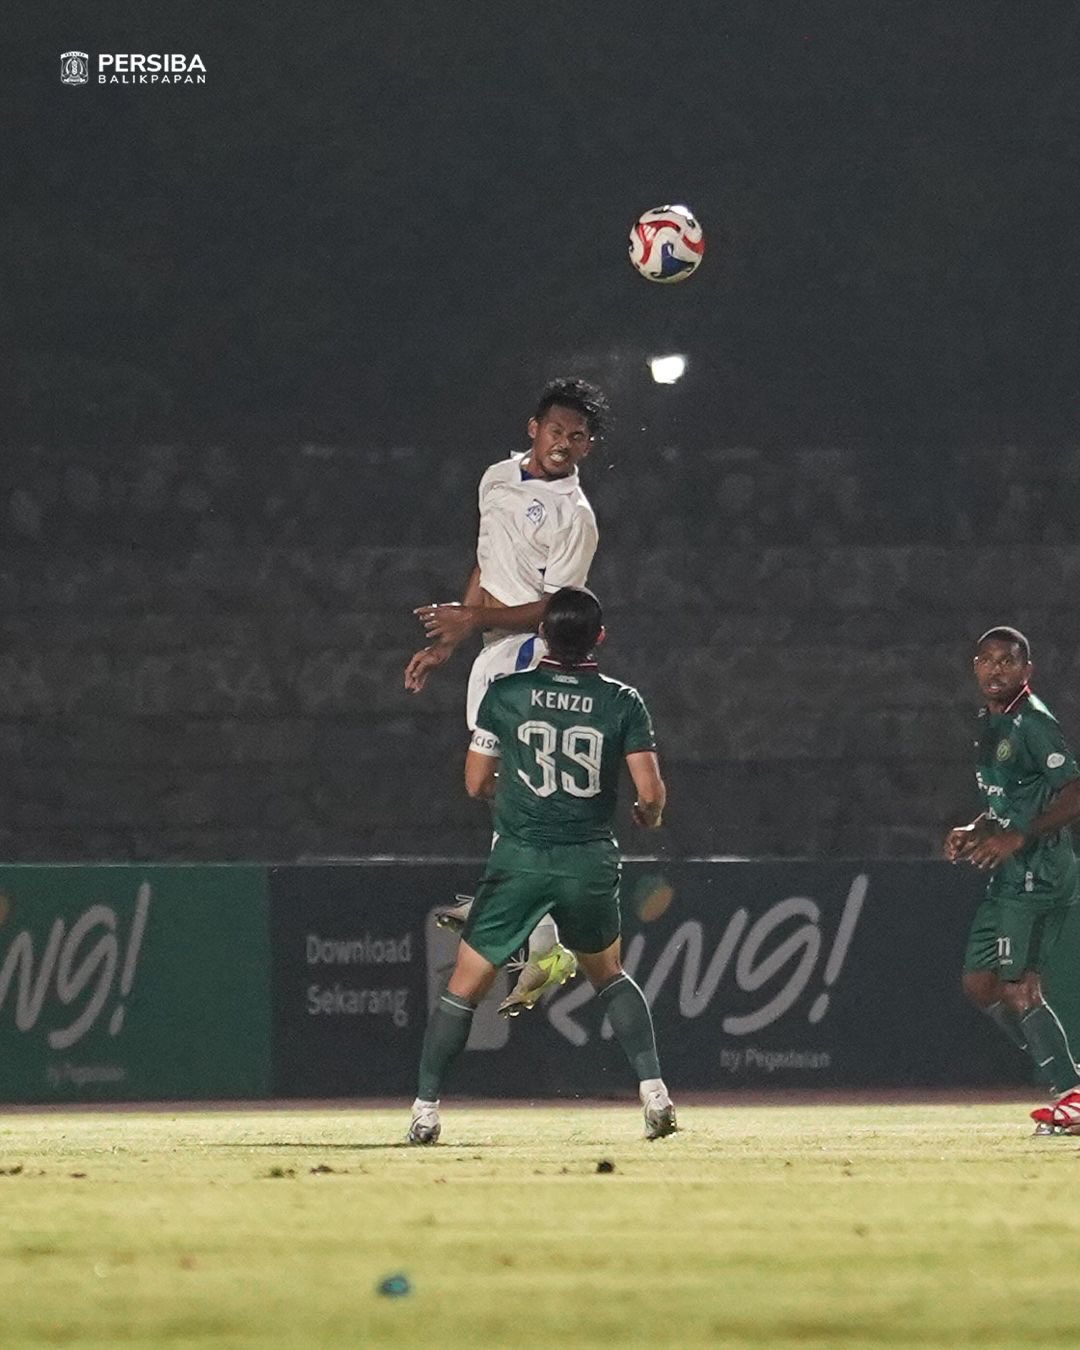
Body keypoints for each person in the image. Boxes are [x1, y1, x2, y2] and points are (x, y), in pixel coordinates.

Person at [407, 587, 676, 1145]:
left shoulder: (506, 694)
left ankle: (425, 1112)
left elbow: (477, 781)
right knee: (610, 977)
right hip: (588, 861)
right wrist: (646, 817)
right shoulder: (623, 701)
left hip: (521, 859)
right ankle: (655, 1097)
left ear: (543, 637)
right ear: (599, 638)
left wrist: (519, 797)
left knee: (463, 990)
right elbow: (650, 795)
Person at [403, 377, 608, 1015]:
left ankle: (511, 903)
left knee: (494, 779)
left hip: (530, 651)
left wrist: (474, 624)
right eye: (556, 431)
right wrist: (455, 638)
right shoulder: (495, 478)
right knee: (496, 785)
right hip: (490, 647)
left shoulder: (576, 516)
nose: (564, 444)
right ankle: (543, 934)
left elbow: (560, 608)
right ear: (533, 428)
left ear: (587, 448)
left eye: (577, 437)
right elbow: (487, 562)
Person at [945, 626, 1080, 1134]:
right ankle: (1069, 1073)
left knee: (1020, 985)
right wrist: (977, 827)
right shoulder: (992, 722)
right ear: (975, 667)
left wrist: (1019, 837)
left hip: (1039, 872)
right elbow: (1008, 797)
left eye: (1008, 661)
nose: (996, 669)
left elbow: (1074, 792)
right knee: (981, 985)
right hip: (1007, 873)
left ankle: (1071, 1095)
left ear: (1028, 670)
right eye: (986, 660)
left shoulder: (1034, 724)